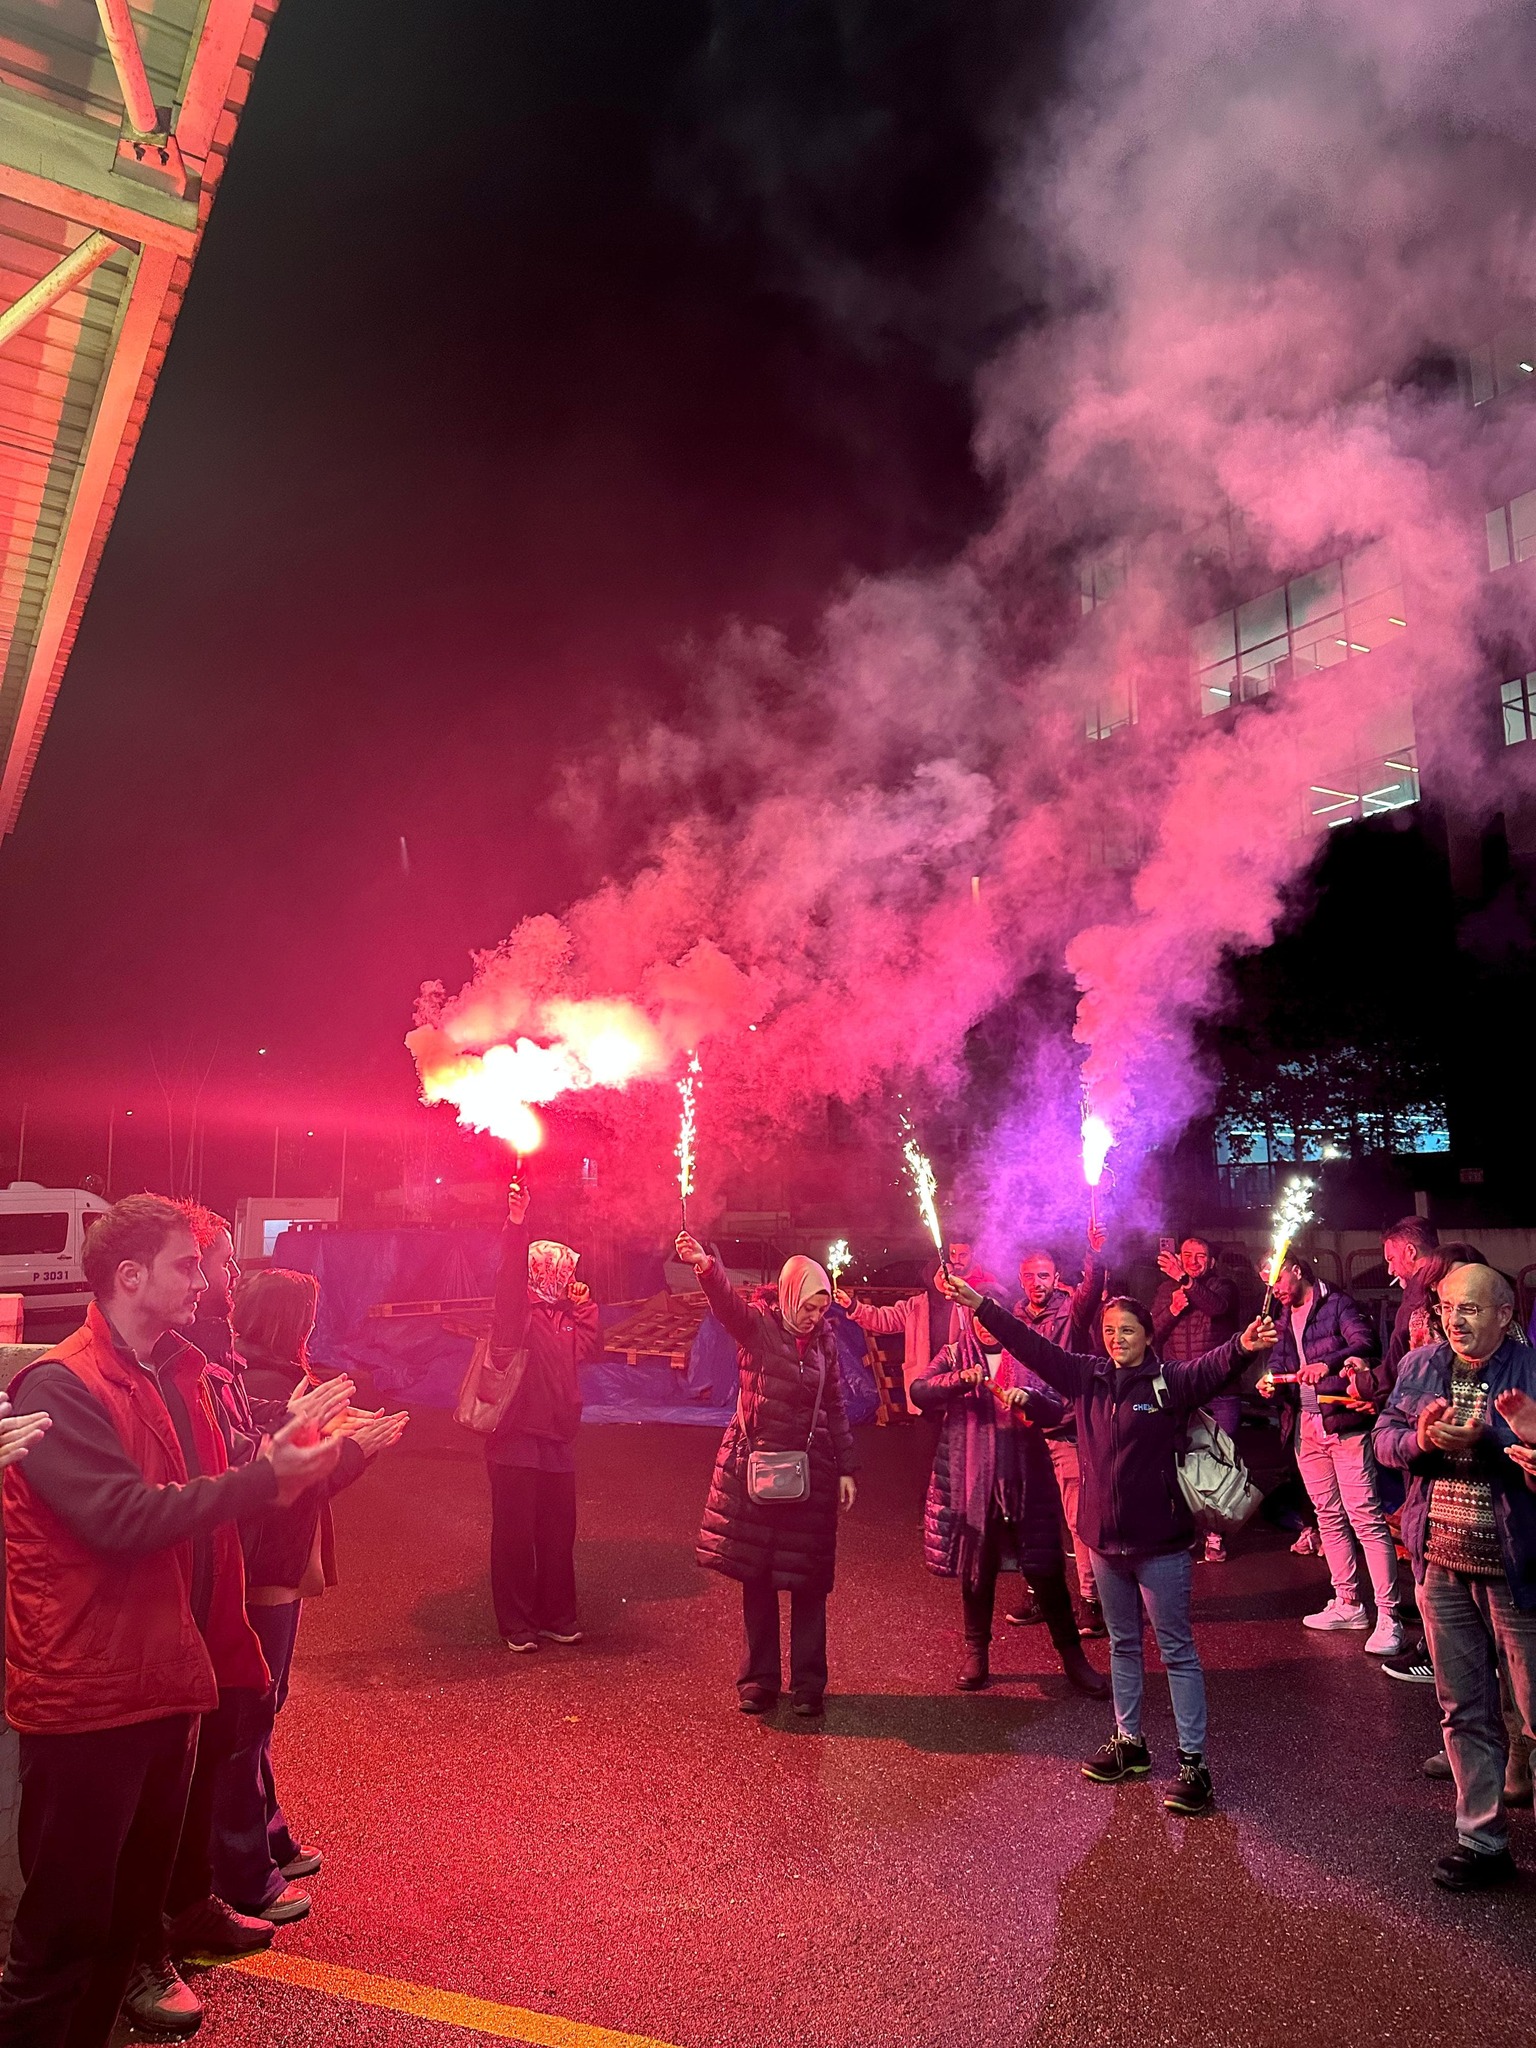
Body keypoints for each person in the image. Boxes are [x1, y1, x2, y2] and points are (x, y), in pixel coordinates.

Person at [0, 1194, 344, 2048]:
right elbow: (124, 1518)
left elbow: (206, 1505)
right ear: (129, 1276)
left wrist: (296, 1463)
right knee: (64, 1937)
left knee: (124, 1919)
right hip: (90, 1694)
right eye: (188, 1266)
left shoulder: (174, 1369)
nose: (210, 1282)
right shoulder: (59, 1384)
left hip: (166, 1674)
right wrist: (269, 1475)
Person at [940, 1267, 1276, 1817]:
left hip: (1162, 1545)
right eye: (1111, 1331)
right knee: (1122, 1646)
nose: (1118, 1338)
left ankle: (1194, 1765)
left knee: (1176, 1652)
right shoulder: (1086, 1376)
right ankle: (1130, 1743)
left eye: (1129, 1330)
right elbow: (1026, 1340)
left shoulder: (1169, 1383)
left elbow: (1215, 1365)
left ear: (1147, 1334)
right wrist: (980, 1302)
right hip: (1103, 1543)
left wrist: (1243, 1344)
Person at [208, 1269, 407, 1922]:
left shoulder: (250, 1377)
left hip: (268, 1563)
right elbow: (291, 1487)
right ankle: (245, 1865)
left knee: (257, 1711)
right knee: (251, 1713)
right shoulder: (267, 1384)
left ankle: (267, 1839)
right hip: (266, 1566)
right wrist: (351, 1449)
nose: (217, 1284)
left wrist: (343, 1442)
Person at [1373, 1263, 1536, 1891]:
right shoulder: (1420, 1367)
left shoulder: (1529, 1368)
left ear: (1504, 1313)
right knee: (1462, 1708)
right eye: (1446, 1307)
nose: (1455, 1320)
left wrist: (1510, 1439)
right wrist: (1418, 1438)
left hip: (1519, 1567)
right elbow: (1381, 1442)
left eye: (1470, 1309)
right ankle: (1483, 1841)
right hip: (1439, 1561)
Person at [678, 1232, 856, 1717]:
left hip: (811, 1472)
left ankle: (808, 1684)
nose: (816, 1317)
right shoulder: (758, 1327)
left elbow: (836, 1406)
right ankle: (758, 1680)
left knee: (807, 1580)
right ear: (791, 1294)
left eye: (822, 1309)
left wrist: (847, 1468)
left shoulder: (825, 1342)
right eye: (810, 1307)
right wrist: (706, 1266)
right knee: (756, 1577)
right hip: (756, 1471)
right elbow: (727, 1307)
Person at [908, 1302, 1108, 1699]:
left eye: (990, 1320)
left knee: (1046, 1571)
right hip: (971, 1481)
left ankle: (1072, 1657)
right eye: (977, 1321)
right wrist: (958, 1381)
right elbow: (919, 1391)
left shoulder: (1026, 1355)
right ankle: (976, 1652)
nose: (985, 1329)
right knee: (976, 1570)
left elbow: (1057, 1408)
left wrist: (1031, 1398)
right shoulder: (953, 1353)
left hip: (1025, 1480)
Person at [1256, 1256, 1403, 1656]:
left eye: (1279, 1280)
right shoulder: (1285, 1314)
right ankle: (1348, 1603)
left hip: (1345, 1422)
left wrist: (1328, 1362)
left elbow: (1366, 1344)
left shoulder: (1337, 1303)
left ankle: (1389, 1617)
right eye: (1269, 1284)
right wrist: (1272, 1381)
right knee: (1328, 1515)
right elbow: (1281, 1360)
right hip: (1306, 1424)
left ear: (1297, 1270)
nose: (1276, 1290)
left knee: (1367, 1518)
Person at [486, 1182, 602, 1652]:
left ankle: (557, 1615)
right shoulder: (517, 1312)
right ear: (542, 1273)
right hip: (514, 1440)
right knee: (515, 1537)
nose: (570, 1274)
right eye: (564, 1269)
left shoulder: (565, 1316)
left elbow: (591, 1344)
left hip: (556, 1441)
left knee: (557, 1535)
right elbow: (508, 1275)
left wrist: (582, 1302)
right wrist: (517, 1223)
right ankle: (517, 1622)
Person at [1012, 1228, 1109, 1629]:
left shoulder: (1071, 1312)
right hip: (1024, 1429)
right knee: (1032, 1519)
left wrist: (1094, 1253)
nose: (1038, 1283)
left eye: (1045, 1276)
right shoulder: (1013, 1316)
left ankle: (1091, 1600)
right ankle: (1039, 1594)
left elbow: (1091, 1290)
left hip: (1066, 1428)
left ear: (1056, 1279)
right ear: (1022, 1279)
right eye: (1031, 1276)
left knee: (1076, 1519)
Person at [1152, 1237, 1241, 1563]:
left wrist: (1186, 1282)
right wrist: (1172, 1308)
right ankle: (1184, 1531)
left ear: (1211, 1262)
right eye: (1186, 1255)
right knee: (1180, 1465)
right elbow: (1151, 1333)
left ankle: (1215, 1537)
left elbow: (1216, 1307)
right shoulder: (1166, 1291)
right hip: (1180, 1390)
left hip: (1219, 1391)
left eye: (1200, 1255)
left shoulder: (1225, 1286)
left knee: (1218, 1466)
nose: (1192, 1261)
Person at [840, 1286, 929, 1417]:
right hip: (925, 1393)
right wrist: (853, 1306)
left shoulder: (963, 1303)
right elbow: (885, 1318)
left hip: (955, 1389)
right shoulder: (919, 1305)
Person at [1380, 1215, 1439, 1383]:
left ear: (1411, 1252)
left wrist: (1366, 1383)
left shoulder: (1418, 1296)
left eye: (1391, 1259)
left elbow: (1399, 1361)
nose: (1390, 1270)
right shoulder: (1451, 1277)